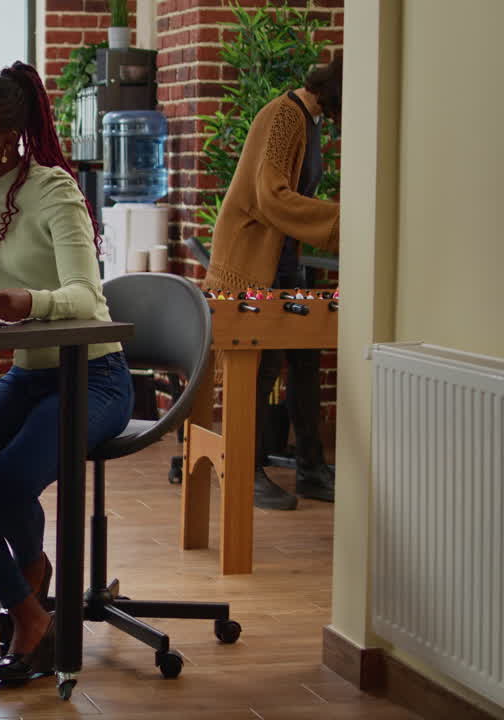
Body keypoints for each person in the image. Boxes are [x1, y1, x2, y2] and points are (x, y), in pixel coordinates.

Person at [0, 61, 134, 683]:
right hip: (32, 374)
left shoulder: (56, 190)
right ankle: (29, 596)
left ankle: (28, 602)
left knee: (5, 487)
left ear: (7, 137)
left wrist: (27, 303)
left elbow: (87, 297)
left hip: (94, 376)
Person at [204, 56, 343, 511]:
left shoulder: (312, 119)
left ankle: (311, 470)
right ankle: (245, 469)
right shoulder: (286, 115)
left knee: (304, 361)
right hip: (251, 260)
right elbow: (271, 195)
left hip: (284, 262)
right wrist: (343, 220)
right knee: (257, 370)